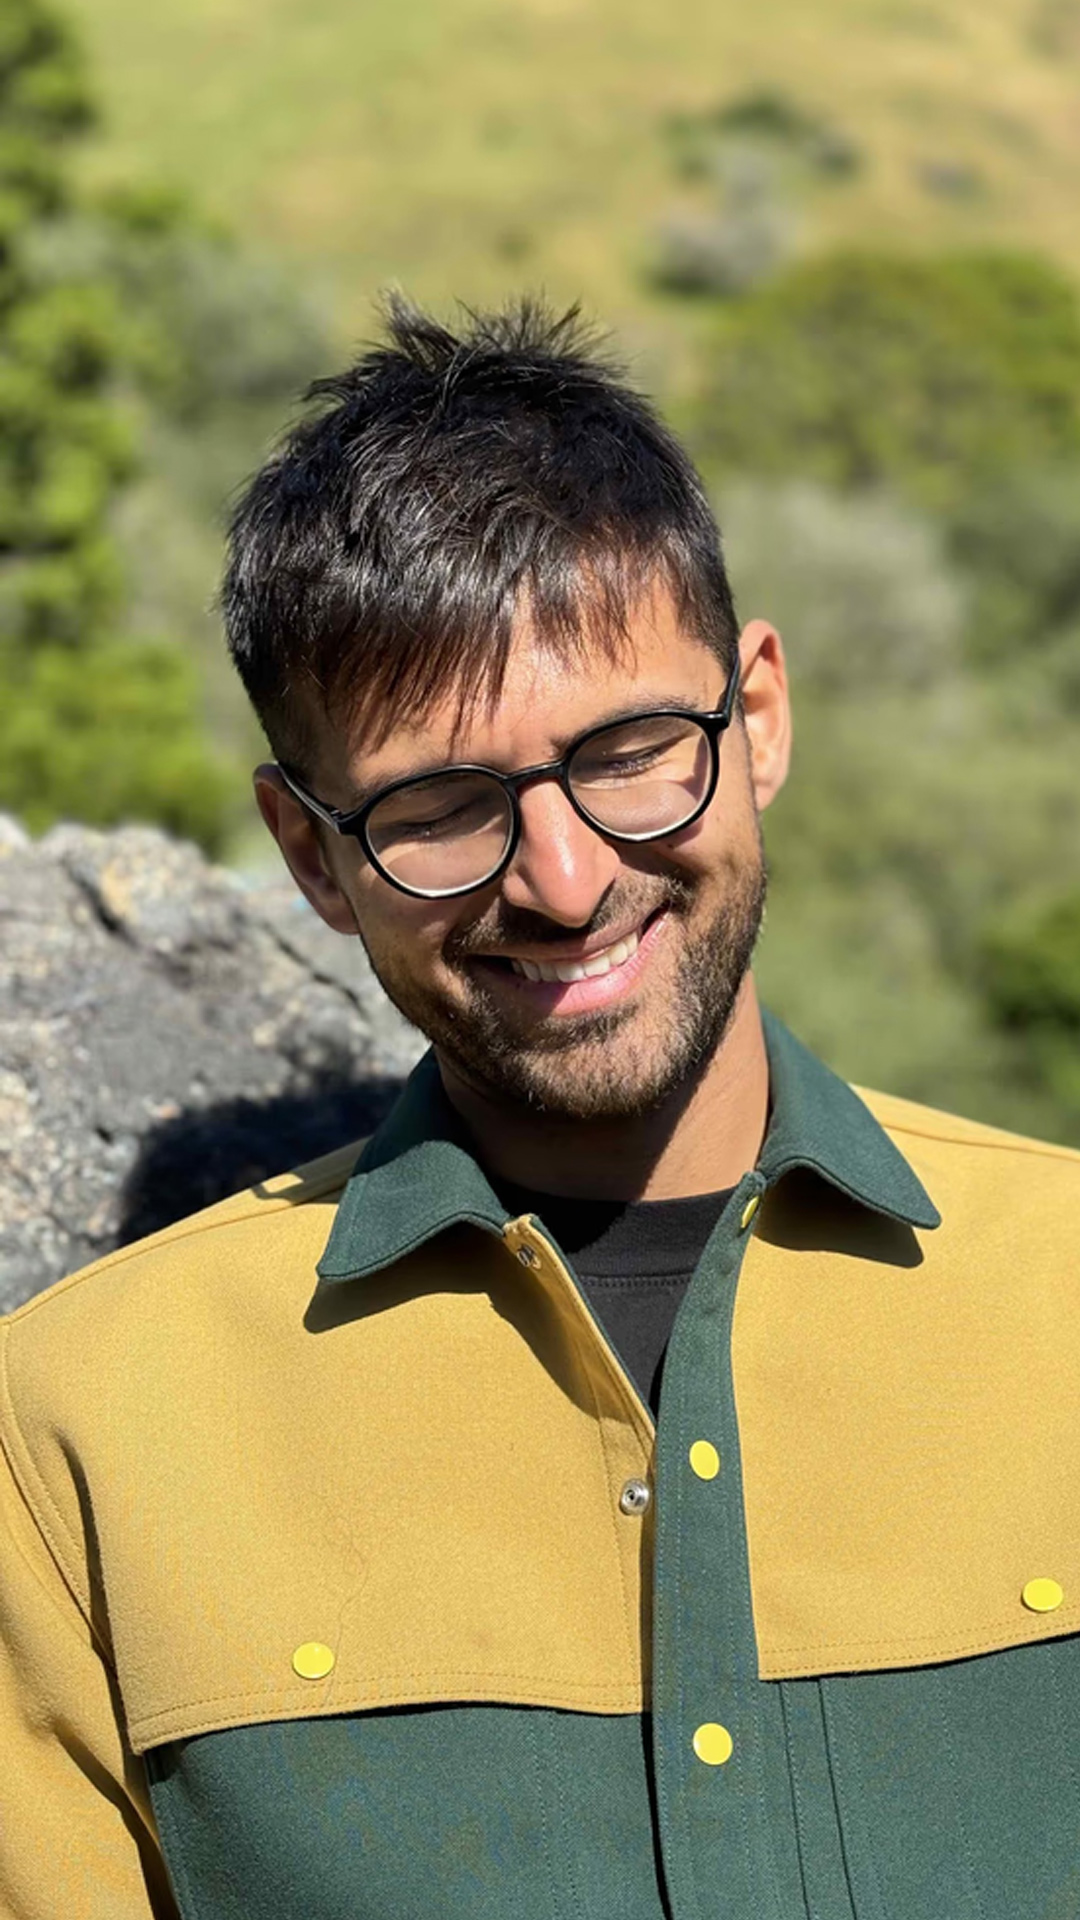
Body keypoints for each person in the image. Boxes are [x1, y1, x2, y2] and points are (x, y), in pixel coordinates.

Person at [2, 299, 1078, 1920]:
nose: (565, 882)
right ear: (309, 857)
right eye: (439, 809)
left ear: (759, 715)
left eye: (636, 752)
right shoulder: (73, 1434)